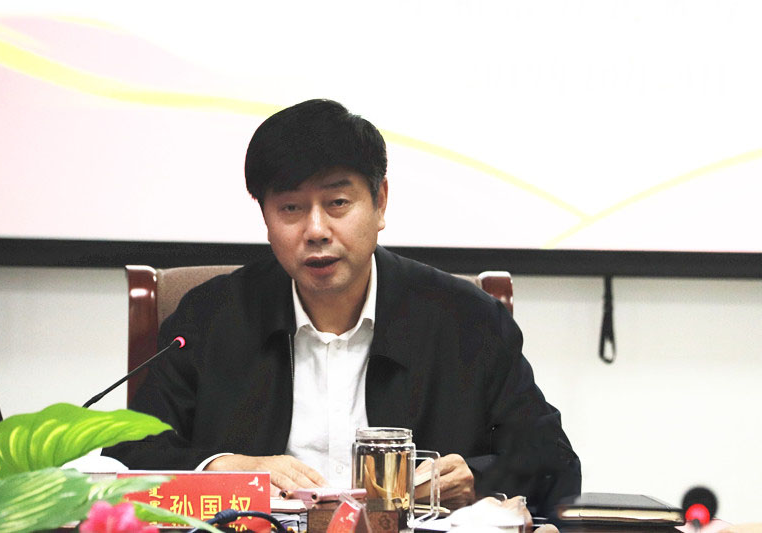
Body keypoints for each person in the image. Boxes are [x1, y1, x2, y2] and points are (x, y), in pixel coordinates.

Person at [104, 99, 580, 516]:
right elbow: (127, 457)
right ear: (265, 217)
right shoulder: (209, 319)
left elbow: (554, 465)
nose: (316, 230)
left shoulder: (466, 320)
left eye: (337, 203)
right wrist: (224, 468)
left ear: (380, 202)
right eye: (290, 208)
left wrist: (476, 479)